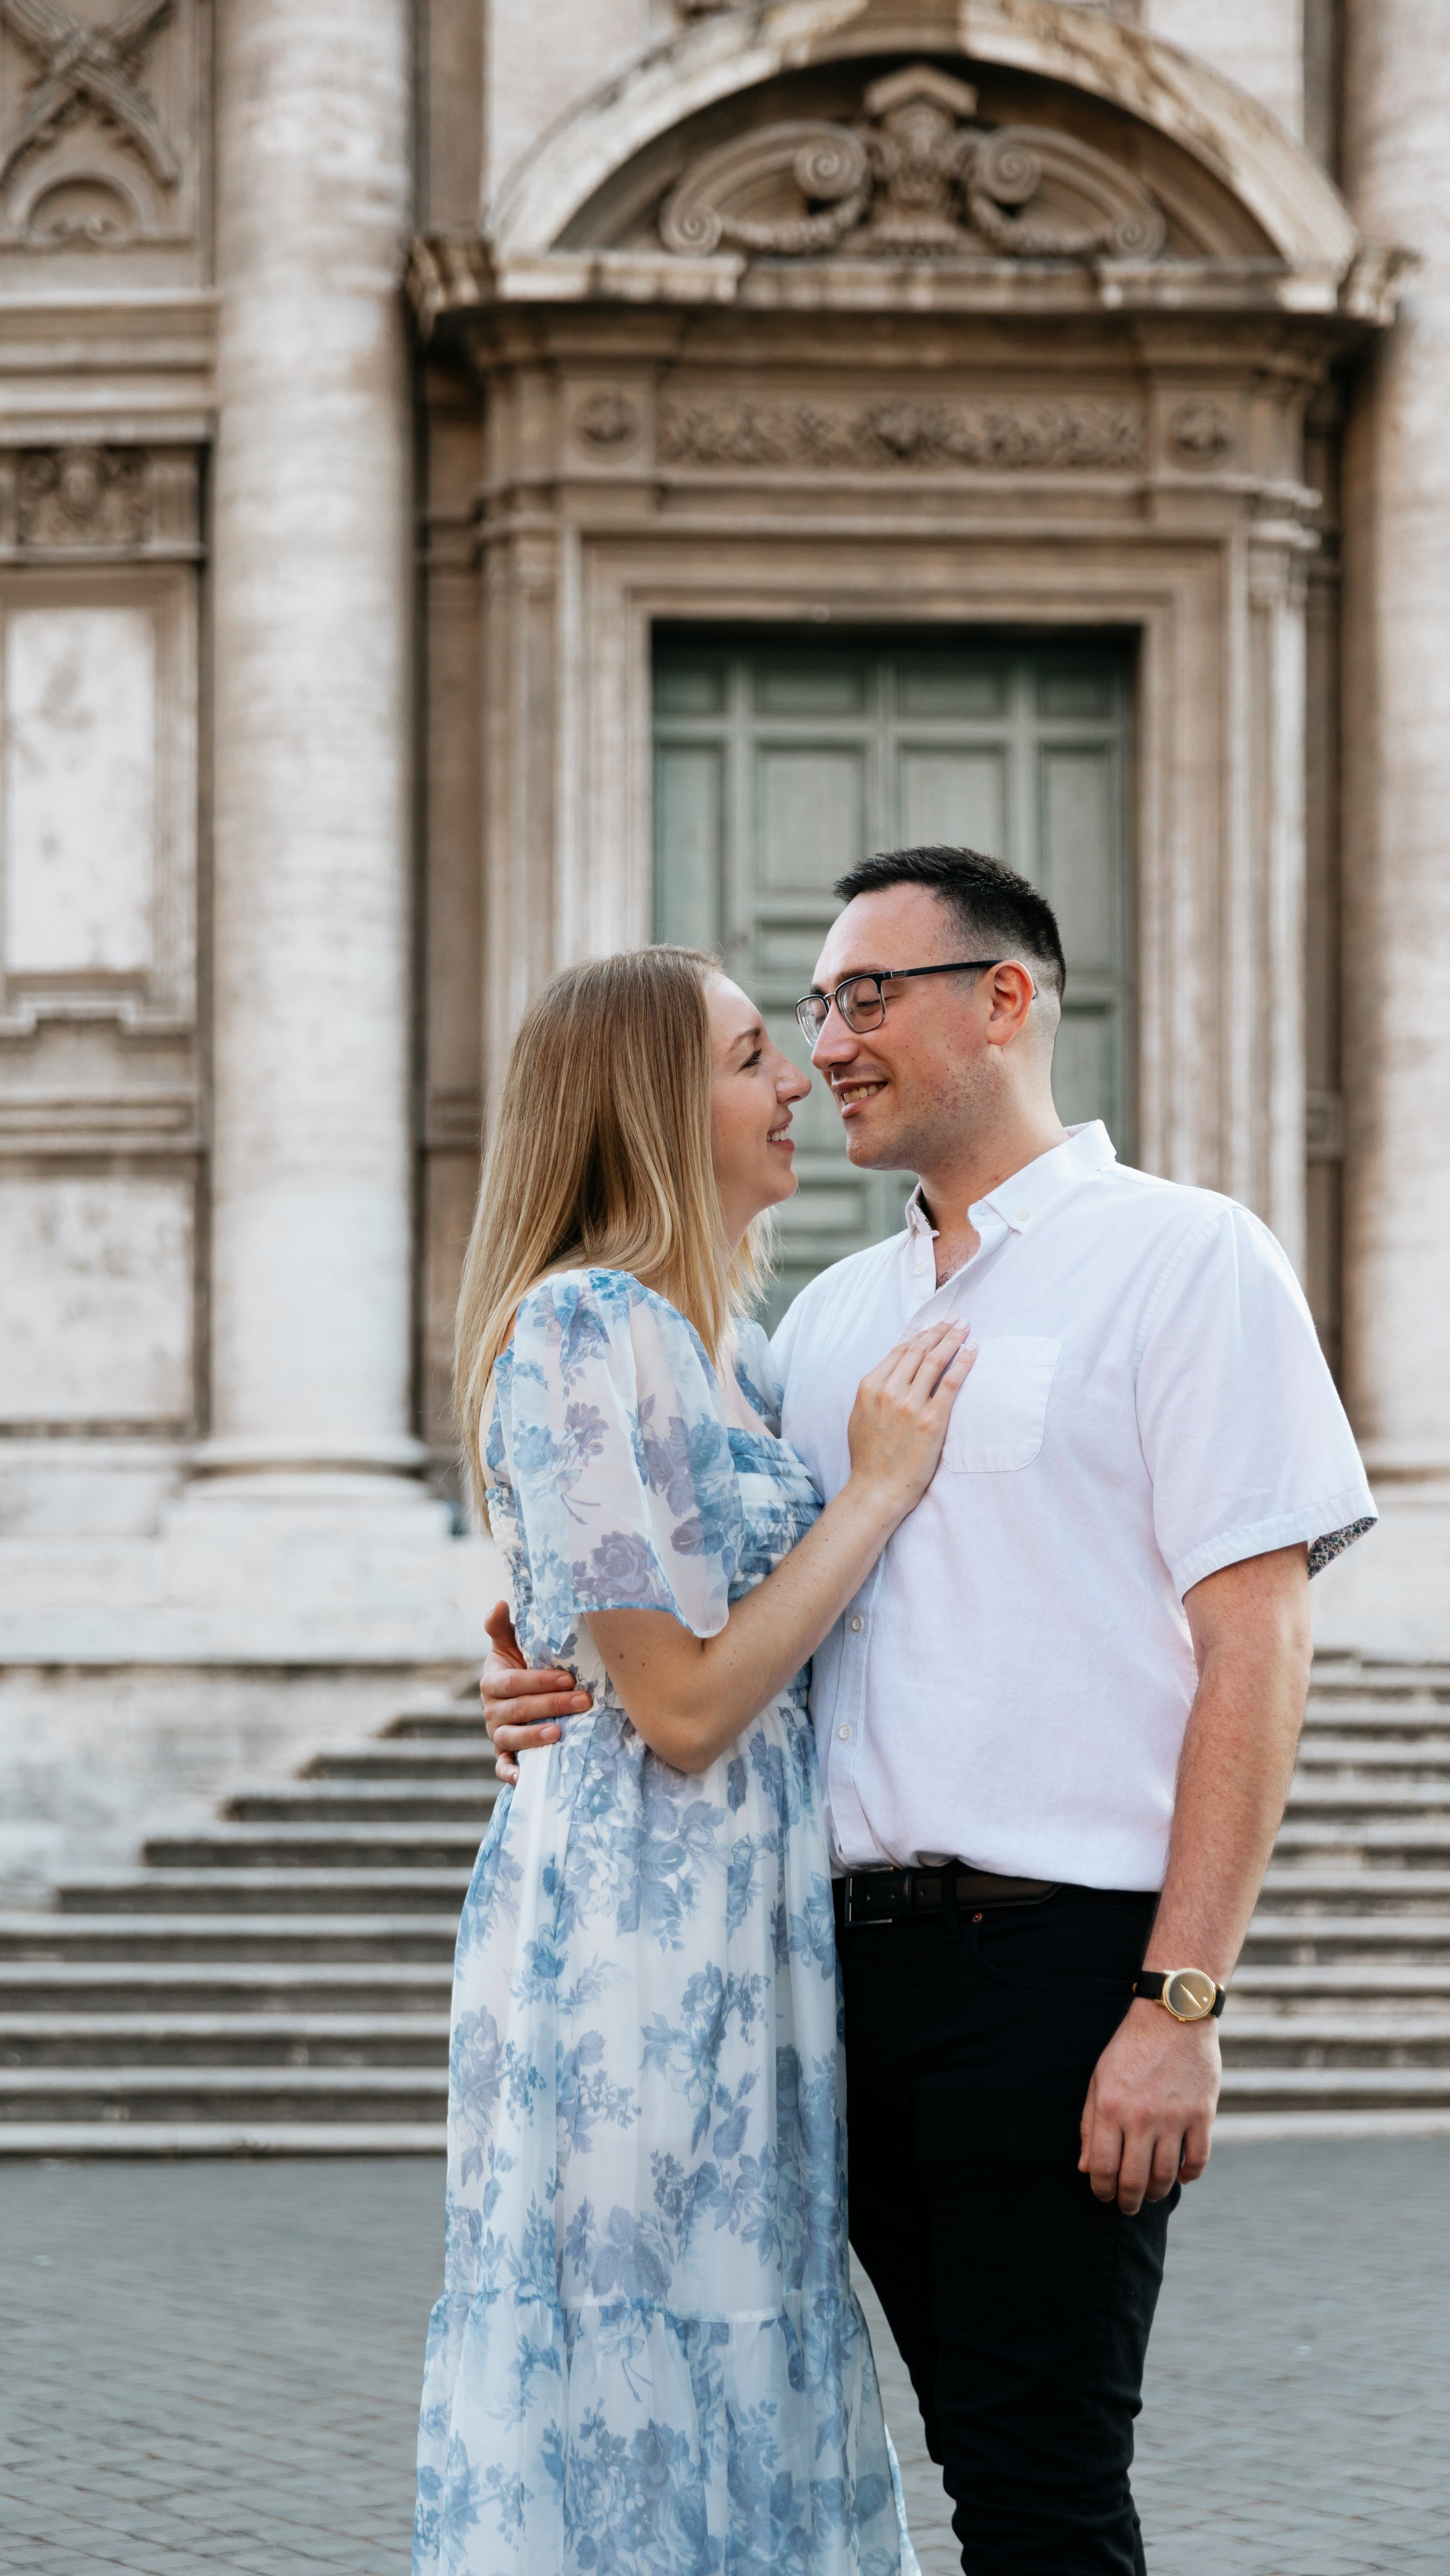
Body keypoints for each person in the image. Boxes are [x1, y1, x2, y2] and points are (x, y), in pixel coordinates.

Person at [483, 849, 1377, 2575]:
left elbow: (1255, 1644)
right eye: (810, 1009)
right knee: (849, 2464)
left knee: (1038, 2484)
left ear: (1005, 998)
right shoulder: (823, 1323)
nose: (826, 1044)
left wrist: (1179, 1999)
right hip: (813, 1983)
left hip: (1049, 1971)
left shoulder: (1184, 1259)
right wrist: (542, 1670)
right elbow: (707, 1596)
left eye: (865, 997)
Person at [413, 944, 978, 2575]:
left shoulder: (732, 1348)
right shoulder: (583, 1325)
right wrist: (876, 1489)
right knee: (638, 2358)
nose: (794, 1078)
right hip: (637, 1948)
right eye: (747, 1057)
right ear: (648, 1105)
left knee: (736, 2344)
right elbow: (678, 1709)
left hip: (745, 1926)